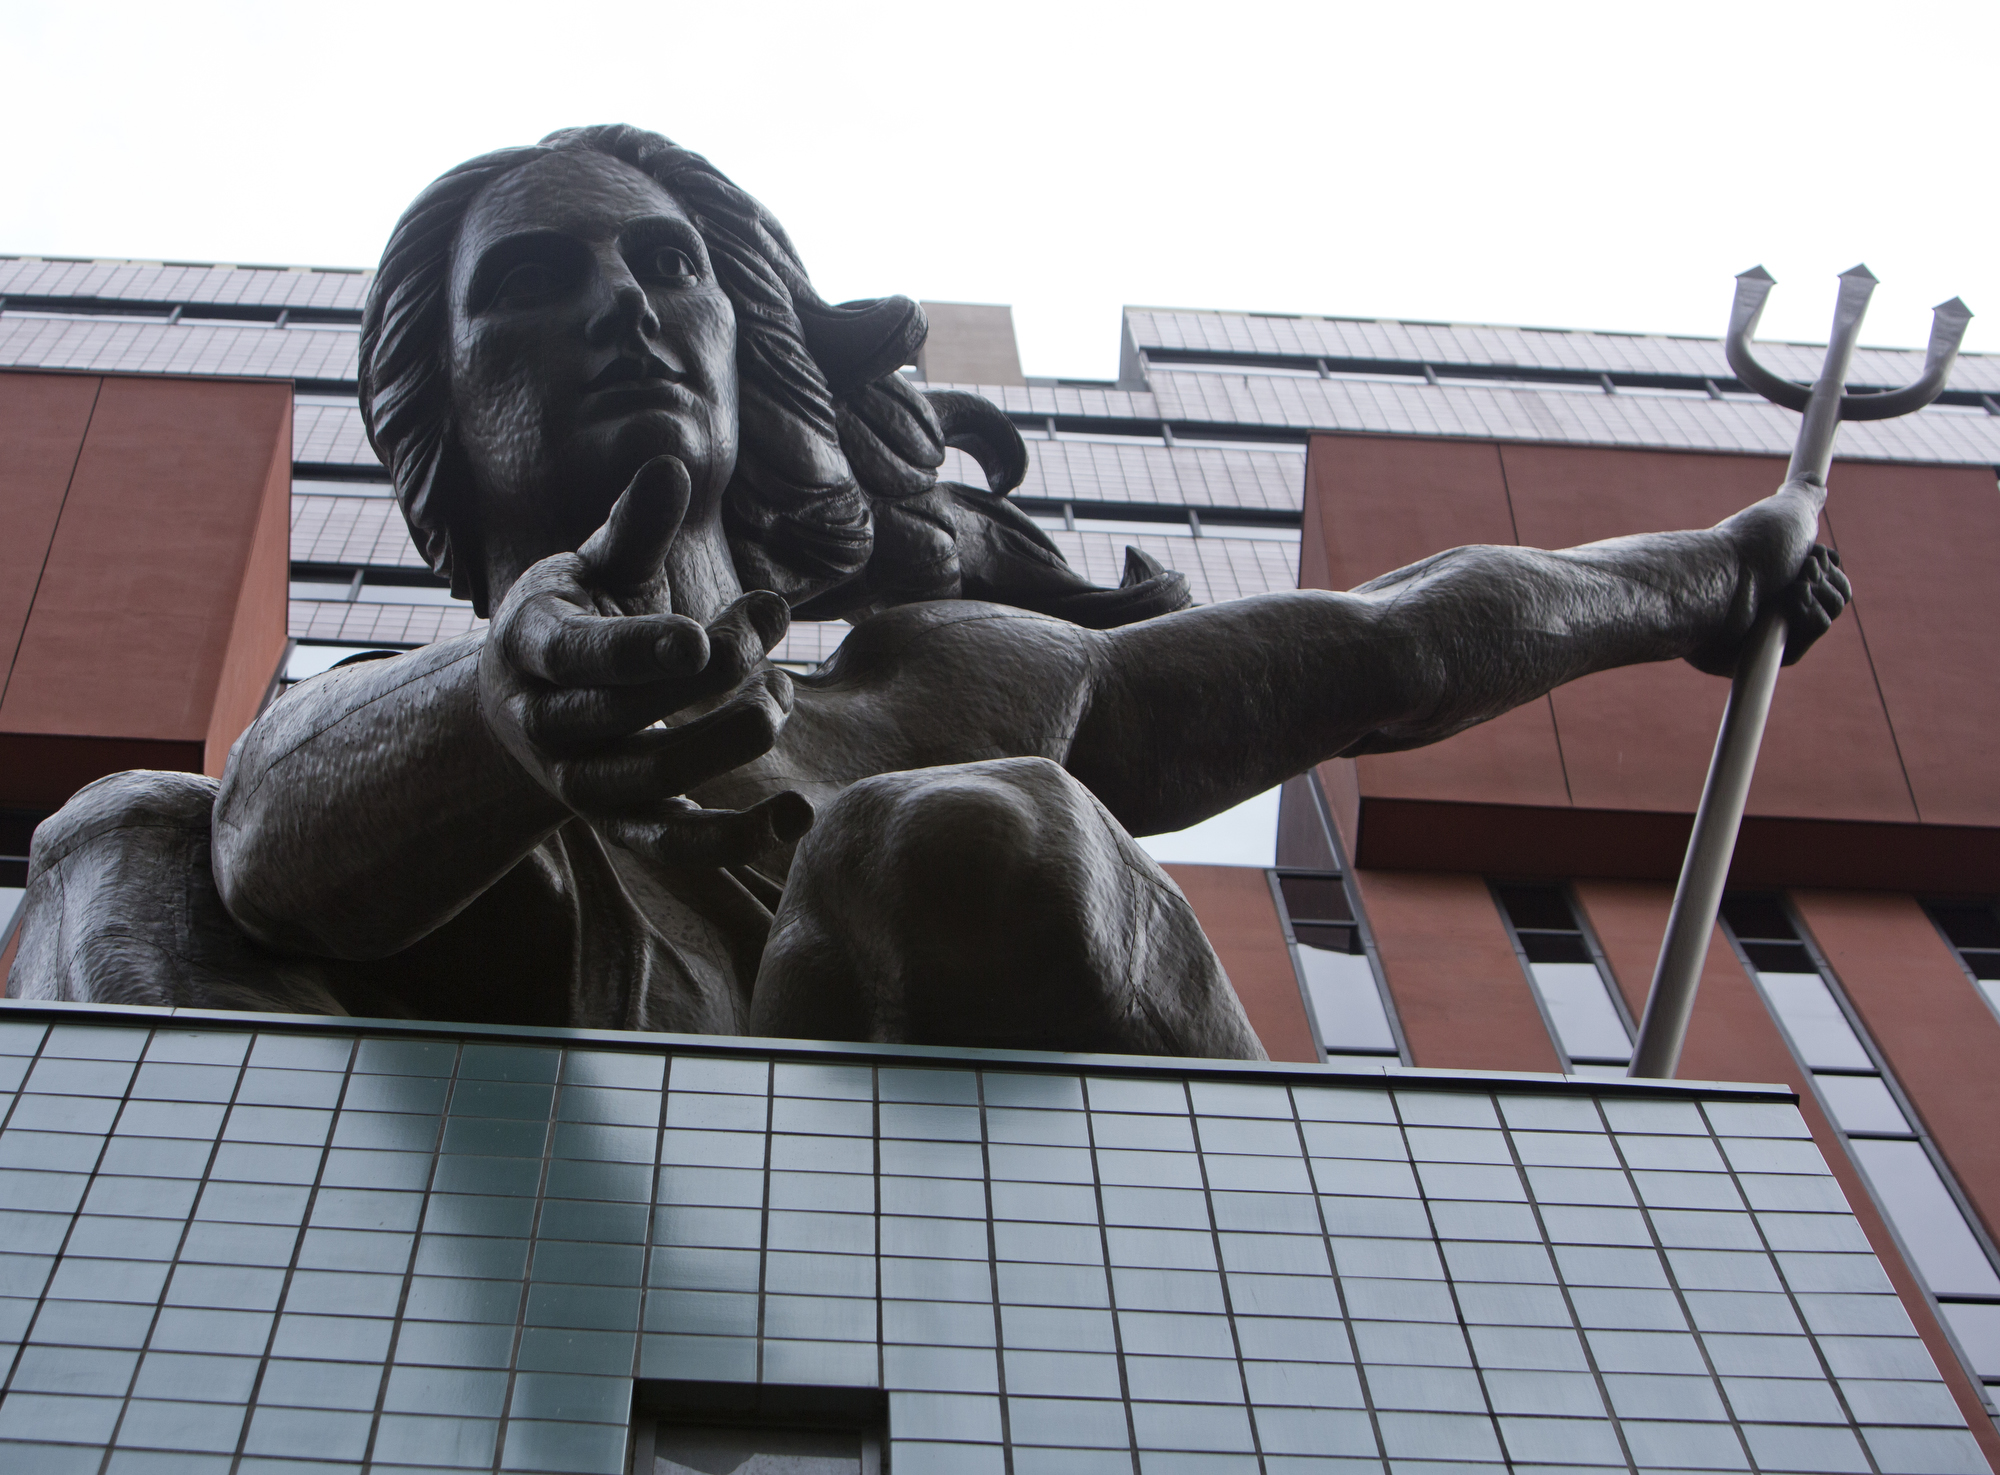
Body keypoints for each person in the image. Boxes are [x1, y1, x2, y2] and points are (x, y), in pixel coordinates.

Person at [9, 126, 1850, 1060]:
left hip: (1032, 1310)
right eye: (536, 285)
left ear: (750, 358)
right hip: (488, 1315)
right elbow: (275, 841)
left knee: (956, 837)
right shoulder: (365, 766)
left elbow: (1389, 645)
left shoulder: (944, 689)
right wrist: (507, 707)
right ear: (444, 419)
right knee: (123, 837)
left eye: (668, 266)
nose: (624, 305)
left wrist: (1705, 572)